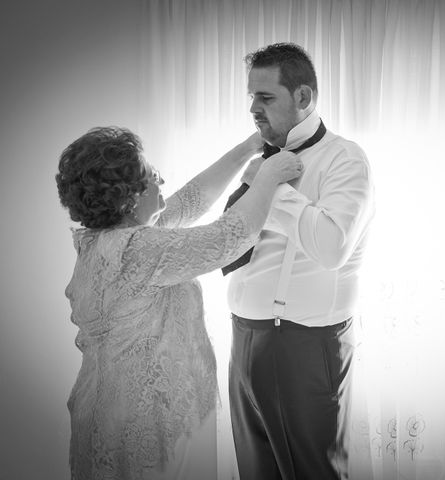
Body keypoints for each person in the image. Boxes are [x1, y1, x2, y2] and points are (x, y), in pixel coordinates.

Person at [55, 126, 303, 480]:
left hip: (113, 411)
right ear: (130, 196)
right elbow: (229, 238)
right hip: (144, 424)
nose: (162, 178)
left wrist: (249, 146)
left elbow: (190, 201)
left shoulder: (111, 241)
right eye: (152, 173)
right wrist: (269, 176)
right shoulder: (137, 251)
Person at [225, 43, 375, 480]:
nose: (253, 108)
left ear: (304, 97)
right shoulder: (262, 160)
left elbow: (331, 247)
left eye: (266, 97)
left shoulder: (345, 158)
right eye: (251, 97)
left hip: (303, 347)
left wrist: (271, 188)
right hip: (243, 341)